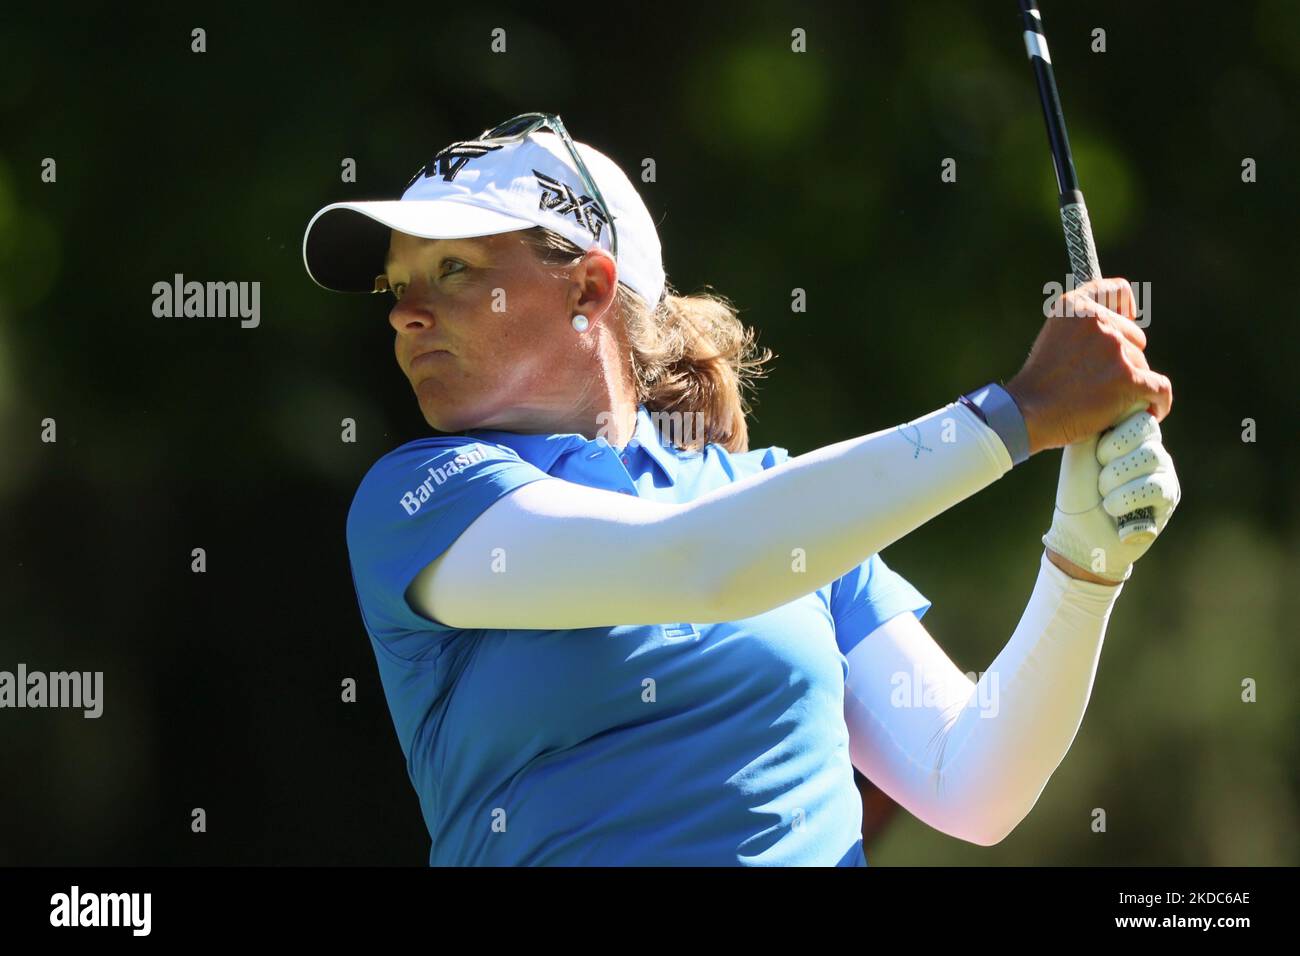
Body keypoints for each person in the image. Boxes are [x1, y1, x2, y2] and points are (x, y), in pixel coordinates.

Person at [302, 112, 1180, 866]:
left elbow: (971, 783)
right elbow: (693, 565)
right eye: (398, 284)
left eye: (453, 269)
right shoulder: (421, 499)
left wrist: (1084, 561)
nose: (404, 312)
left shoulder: (778, 504)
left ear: (588, 286)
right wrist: (1017, 413)